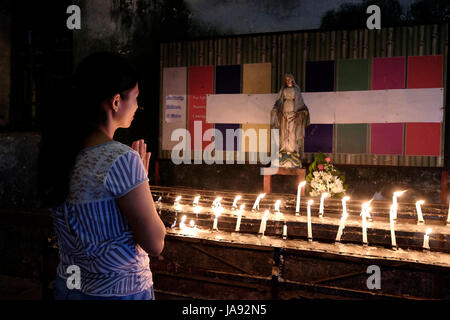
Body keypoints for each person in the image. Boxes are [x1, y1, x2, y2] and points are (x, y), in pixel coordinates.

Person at [37, 52, 166, 300]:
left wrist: (136, 180)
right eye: (136, 98)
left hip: (69, 288)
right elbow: (155, 242)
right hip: (118, 292)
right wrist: (141, 182)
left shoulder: (59, 152)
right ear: (116, 102)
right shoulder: (122, 159)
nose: (137, 107)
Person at [271, 73, 310, 168]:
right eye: (287, 80)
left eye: (290, 80)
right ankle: (283, 150)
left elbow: (300, 103)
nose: (288, 81)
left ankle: (293, 151)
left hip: (294, 112)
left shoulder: (297, 90)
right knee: (284, 132)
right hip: (284, 112)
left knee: (292, 132)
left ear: (293, 80)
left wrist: (301, 112)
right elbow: (278, 102)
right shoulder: (283, 90)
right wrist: (276, 109)